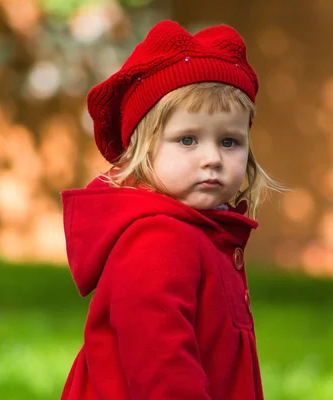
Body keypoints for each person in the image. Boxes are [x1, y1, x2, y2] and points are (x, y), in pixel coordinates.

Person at [60, 20, 280, 400]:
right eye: (187, 139)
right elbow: (161, 368)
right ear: (141, 151)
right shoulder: (158, 238)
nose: (211, 158)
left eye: (229, 141)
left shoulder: (202, 233)